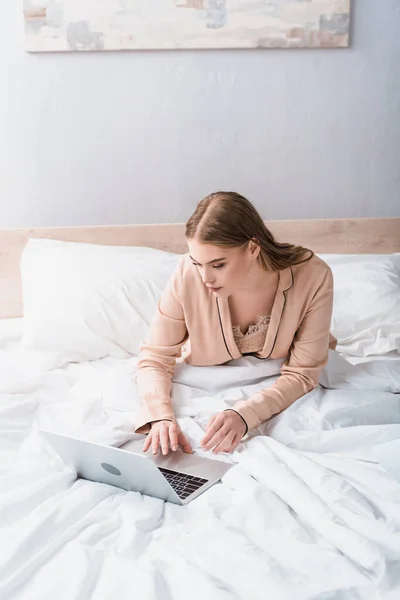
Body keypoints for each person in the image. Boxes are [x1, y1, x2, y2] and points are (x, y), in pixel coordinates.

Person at [135, 191, 336, 456]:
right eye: (198, 263)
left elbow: (303, 373)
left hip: (278, 389)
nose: (206, 277)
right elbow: (155, 358)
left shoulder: (313, 276)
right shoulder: (188, 274)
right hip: (204, 382)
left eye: (218, 265)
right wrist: (160, 416)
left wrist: (244, 415)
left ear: (253, 248)